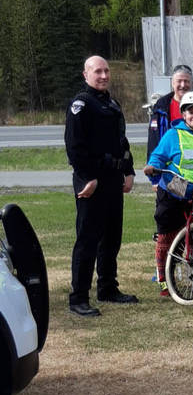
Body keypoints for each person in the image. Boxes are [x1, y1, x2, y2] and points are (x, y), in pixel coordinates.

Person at [64, 55, 137, 316]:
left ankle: (107, 288)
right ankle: (78, 298)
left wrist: (129, 171)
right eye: (98, 71)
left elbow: (122, 142)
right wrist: (87, 178)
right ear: (86, 75)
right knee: (87, 240)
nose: (104, 75)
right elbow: (74, 147)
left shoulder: (111, 103)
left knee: (111, 238)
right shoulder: (80, 105)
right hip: (91, 182)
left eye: (106, 71)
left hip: (113, 180)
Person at [142, 92, 193, 295]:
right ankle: (163, 277)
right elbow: (158, 156)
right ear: (184, 114)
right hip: (175, 188)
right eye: (190, 112)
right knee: (167, 235)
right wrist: (152, 166)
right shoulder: (173, 135)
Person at [146, 64, 193, 157]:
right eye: (179, 81)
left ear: (191, 84)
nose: (183, 85)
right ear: (173, 83)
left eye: (186, 81)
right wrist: (152, 164)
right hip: (167, 160)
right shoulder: (161, 107)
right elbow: (153, 140)